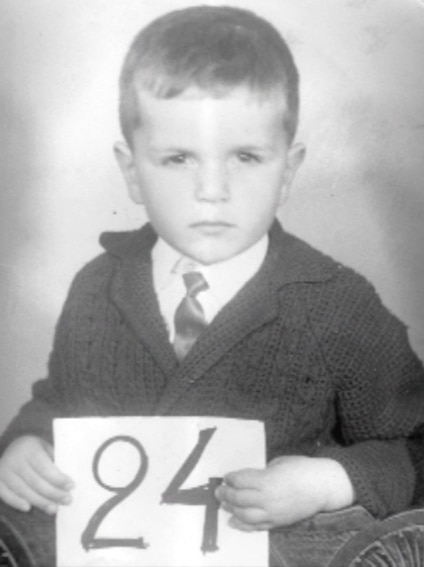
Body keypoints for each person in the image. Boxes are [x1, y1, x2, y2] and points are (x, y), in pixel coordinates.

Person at [0, 5, 424, 567]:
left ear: (289, 170)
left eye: (246, 157)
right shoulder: (98, 288)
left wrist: (333, 479)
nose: (212, 190)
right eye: (178, 158)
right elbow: (59, 402)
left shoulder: (337, 305)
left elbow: (413, 446)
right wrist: (26, 446)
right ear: (131, 171)